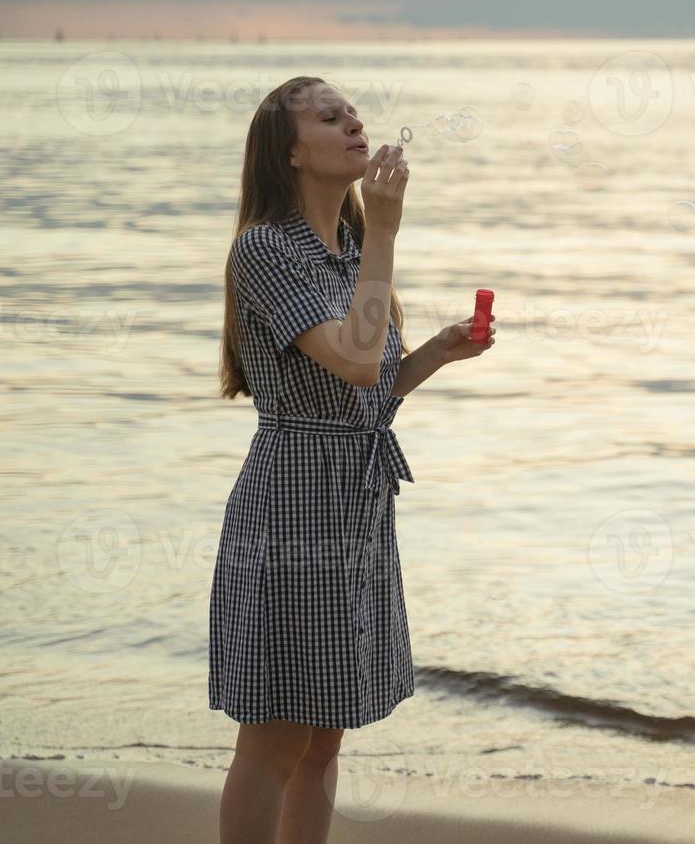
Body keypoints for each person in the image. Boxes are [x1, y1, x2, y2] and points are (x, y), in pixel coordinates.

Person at [210, 76, 497, 844]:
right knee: (275, 735)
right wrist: (388, 231)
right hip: (293, 501)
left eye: (354, 112)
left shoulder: (342, 248)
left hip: (354, 499)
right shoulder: (268, 250)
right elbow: (359, 363)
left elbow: (366, 393)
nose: (354, 122)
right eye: (329, 117)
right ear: (291, 153)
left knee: (325, 732)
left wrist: (435, 351)